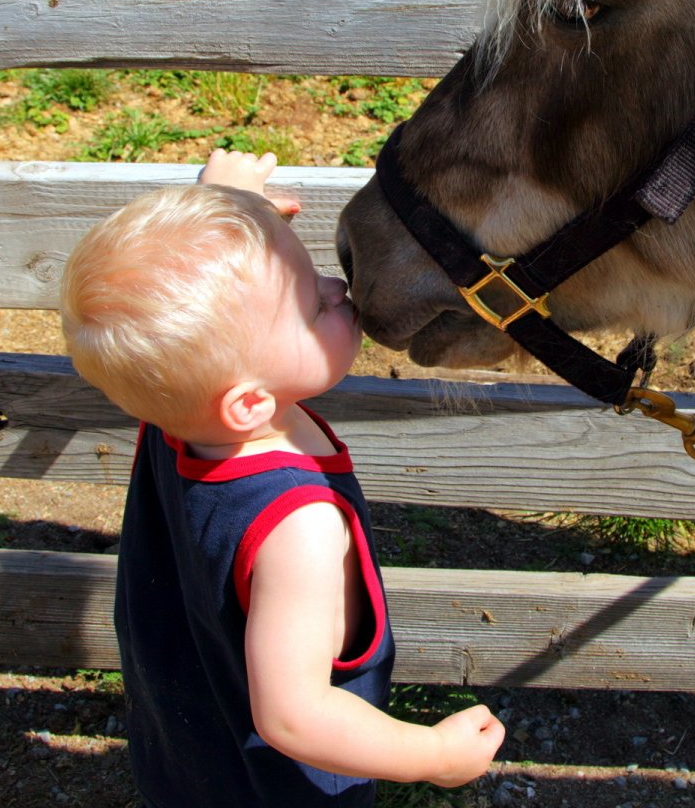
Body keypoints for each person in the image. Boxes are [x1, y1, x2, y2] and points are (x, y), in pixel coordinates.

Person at [60, 149, 505, 806]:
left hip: (186, 742)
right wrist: (432, 755)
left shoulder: (180, 410)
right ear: (248, 403)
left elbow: (201, 321)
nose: (336, 288)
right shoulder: (299, 529)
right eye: (310, 303)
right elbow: (293, 715)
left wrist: (233, 207)